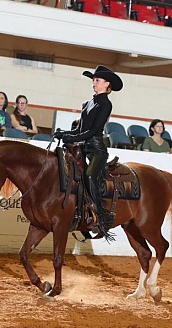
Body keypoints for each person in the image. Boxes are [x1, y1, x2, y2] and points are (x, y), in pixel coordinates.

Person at [53, 65, 123, 239]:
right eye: (93, 80)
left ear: (107, 84)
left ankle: (99, 216)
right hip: (82, 147)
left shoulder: (105, 104)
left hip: (96, 150)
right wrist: (65, 134)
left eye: (97, 80)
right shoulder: (88, 102)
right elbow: (80, 130)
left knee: (90, 176)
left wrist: (71, 138)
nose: (94, 82)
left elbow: (94, 131)